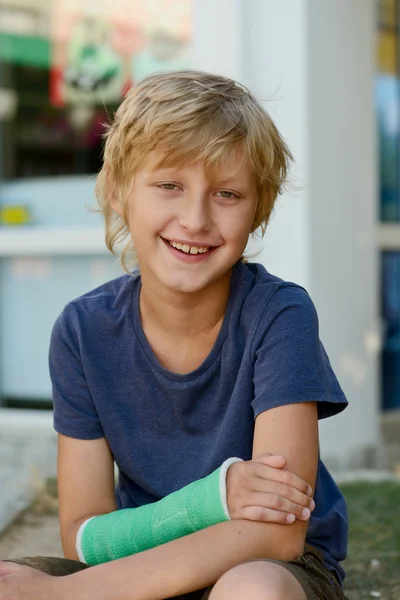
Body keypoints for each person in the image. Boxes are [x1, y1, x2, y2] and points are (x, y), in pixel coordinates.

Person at [0, 70, 349, 600]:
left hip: (274, 565)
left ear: (257, 210)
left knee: (249, 588)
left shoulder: (280, 313)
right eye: (169, 185)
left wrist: (60, 594)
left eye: (227, 194)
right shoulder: (81, 330)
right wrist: (217, 497)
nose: (195, 218)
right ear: (119, 192)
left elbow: (279, 532)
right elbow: (84, 537)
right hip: (145, 562)